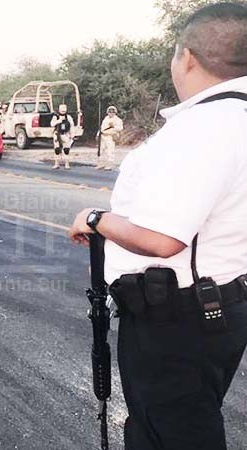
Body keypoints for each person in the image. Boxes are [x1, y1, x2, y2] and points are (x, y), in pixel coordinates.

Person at [69, 4, 247, 449]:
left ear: (187, 57)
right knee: (191, 423)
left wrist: (96, 220)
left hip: (178, 317)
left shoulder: (203, 127)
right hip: (222, 305)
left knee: (166, 434)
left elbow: (162, 238)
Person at [97, 105, 124, 171]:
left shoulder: (117, 120)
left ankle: (109, 165)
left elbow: (120, 128)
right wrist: (98, 134)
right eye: (110, 112)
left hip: (110, 136)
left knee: (110, 151)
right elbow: (102, 128)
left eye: (112, 112)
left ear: (115, 112)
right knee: (101, 150)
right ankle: (101, 164)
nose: (111, 113)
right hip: (103, 136)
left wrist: (113, 126)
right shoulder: (106, 118)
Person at [50, 104, 75, 169]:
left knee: (66, 150)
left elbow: (72, 126)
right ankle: (56, 164)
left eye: (64, 109)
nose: (63, 111)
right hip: (57, 134)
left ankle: (67, 164)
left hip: (65, 134)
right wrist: (58, 121)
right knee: (57, 150)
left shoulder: (68, 117)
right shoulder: (56, 116)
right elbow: (52, 124)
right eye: (62, 109)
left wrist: (72, 135)